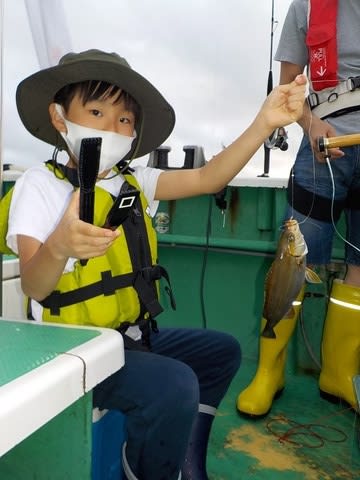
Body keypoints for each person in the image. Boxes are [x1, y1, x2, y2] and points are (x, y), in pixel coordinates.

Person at [7, 49, 306, 480]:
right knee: (174, 384)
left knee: (222, 353)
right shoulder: (39, 186)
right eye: (96, 111)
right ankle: (147, 471)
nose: (114, 127)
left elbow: (210, 178)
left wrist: (264, 122)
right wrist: (58, 248)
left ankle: (188, 460)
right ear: (59, 117)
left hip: (130, 340)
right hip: (71, 352)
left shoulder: (136, 181)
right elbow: (35, 287)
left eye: (125, 119)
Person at [237, 0, 360, 417]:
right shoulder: (305, 7)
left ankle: (339, 373)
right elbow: (289, 89)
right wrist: (311, 125)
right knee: (292, 258)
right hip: (322, 145)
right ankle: (269, 374)